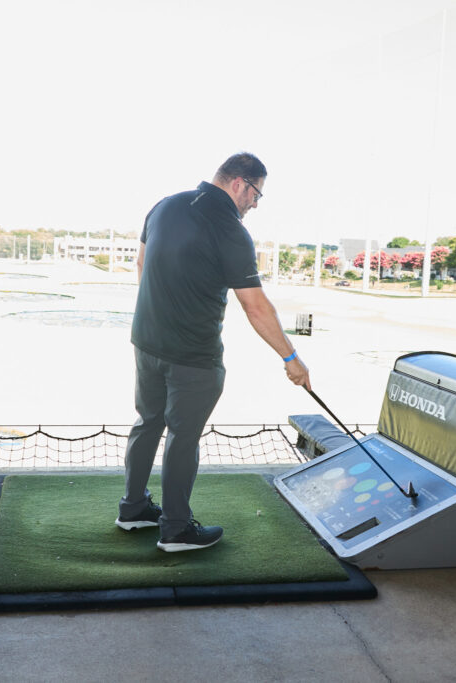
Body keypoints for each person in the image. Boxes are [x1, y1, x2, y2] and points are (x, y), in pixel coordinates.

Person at [115, 152, 311, 552]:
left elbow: (142, 265)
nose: (255, 203)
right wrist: (291, 358)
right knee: (183, 436)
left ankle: (133, 509)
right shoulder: (230, 229)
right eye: (256, 194)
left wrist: (161, 314)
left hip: (147, 341)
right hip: (193, 357)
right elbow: (256, 307)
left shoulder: (164, 205)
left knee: (148, 422)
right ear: (239, 183)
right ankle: (176, 530)